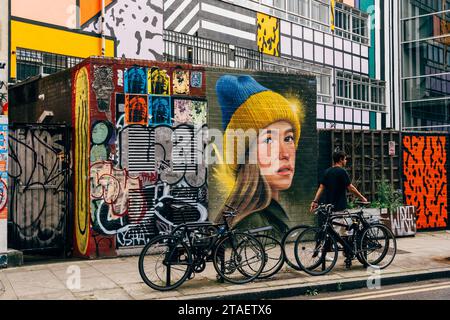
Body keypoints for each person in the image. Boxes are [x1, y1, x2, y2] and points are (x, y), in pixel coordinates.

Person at [213, 75, 302, 240]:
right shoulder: (254, 223)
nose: (284, 154)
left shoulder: (269, 214)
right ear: (246, 156)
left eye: (288, 138)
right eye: (269, 140)